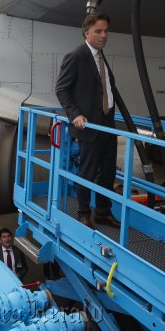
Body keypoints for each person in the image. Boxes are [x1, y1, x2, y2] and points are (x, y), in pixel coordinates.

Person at [55, 12, 121, 229]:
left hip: (107, 125)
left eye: (106, 31)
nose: (104, 35)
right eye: (98, 31)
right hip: (89, 127)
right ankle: (83, 213)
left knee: (108, 172)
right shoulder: (77, 56)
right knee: (88, 173)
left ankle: (103, 211)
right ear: (87, 33)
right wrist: (75, 115)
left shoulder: (100, 57)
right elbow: (62, 89)